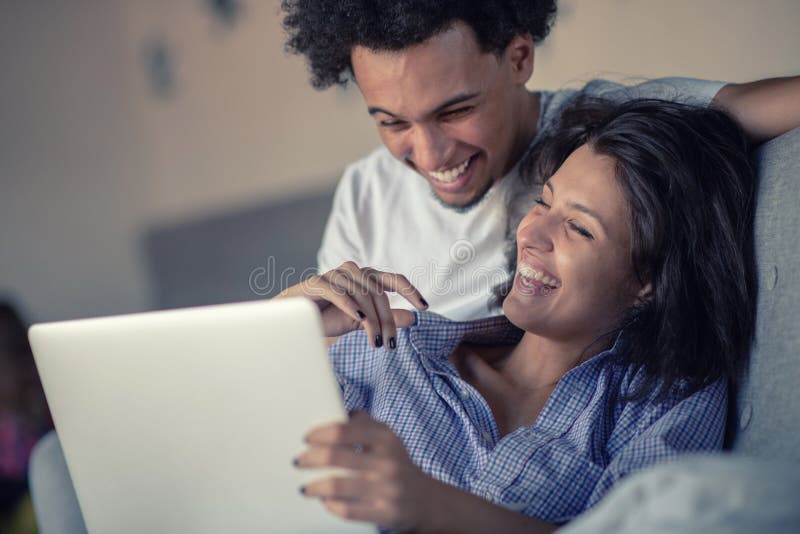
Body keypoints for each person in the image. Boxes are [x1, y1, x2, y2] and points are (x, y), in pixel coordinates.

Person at [279, 98, 757, 532]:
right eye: (544, 203)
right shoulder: (393, 348)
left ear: (646, 281)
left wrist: (433, 507)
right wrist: (277, 335)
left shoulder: (666, 399)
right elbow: (243, 471)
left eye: (579, 228)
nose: (532, 234)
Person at [281, 0, 799, 325]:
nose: (431, 155)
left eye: (456, 110)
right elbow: (331, 358)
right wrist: (289, 319)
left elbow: (756, 106)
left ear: (519, 58)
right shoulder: (363, 193)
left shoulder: (599, 132)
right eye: (392, 123)